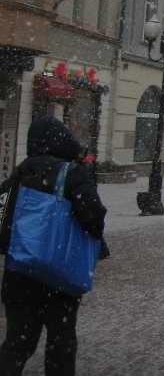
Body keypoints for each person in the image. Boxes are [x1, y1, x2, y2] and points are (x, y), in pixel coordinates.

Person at [0, 117, 108, 375]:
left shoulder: (17, 174)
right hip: (59, 274)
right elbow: (93, 218)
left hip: (19, 274)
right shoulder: (71, 174)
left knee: (17, 342)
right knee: (61, 343)